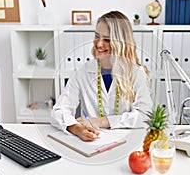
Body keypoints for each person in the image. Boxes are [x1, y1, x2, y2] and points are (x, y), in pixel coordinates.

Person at [51, 11, 153, 141]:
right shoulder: (83, 71)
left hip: (125, 142)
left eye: (107, 39)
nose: (99, 44)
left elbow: (145, 115)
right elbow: (59, 110)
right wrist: (77, 129)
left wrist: (101, 121)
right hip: (90, 142)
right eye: (97, 36)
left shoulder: (136, 72)